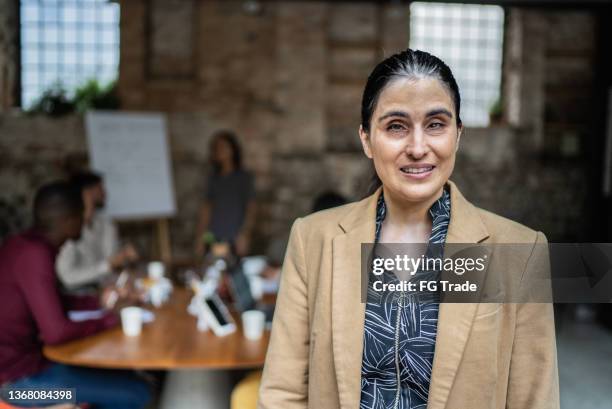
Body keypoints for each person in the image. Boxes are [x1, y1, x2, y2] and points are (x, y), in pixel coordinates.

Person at [258, 49, 559, 409]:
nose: (418, 148)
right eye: (396, 126)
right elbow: (283, 392)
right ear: (367, 139)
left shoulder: (520, 252)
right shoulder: (313, 239)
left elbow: (534, 400)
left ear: (457, 135)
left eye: (436, 124)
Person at [0, 181, 151, 409]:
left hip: (31, 370)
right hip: (19, 388)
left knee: (122, 378)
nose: (87, 219)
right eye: (84, 213)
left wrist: (100, 302)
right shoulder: (34, 255)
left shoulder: (22, 246)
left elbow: (55, 301)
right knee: (136, 393)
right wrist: (112, 320)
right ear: (69, 220)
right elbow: (56, 333)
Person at [56, 171, 138, 291]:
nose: (105, 193)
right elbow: (67, 276)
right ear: (87, 193)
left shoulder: (105, 223)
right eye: (100, 188)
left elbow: (112, 258)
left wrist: (124, 256)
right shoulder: (69, 228)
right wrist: (107, 266)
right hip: (82, 296)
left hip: (109, 290)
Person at [195, 130, 256, 257]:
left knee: (232, 273)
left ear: (233, 150)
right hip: (212, 236)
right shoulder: (213, 179)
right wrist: (200, 238)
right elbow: (206, 209)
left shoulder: (243, 178)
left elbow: (251, 208)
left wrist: (245, 234)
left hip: (234, 237)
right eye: (216, 147)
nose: (219, 151)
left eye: (223, 147)